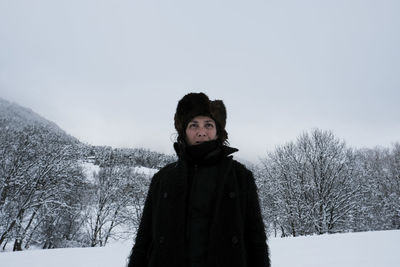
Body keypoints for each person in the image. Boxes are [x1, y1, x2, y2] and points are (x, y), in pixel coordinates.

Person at [127, 92, 270, 267]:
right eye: (193, 125)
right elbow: (144, 239)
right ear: (183, 132)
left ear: (218, 132)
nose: (201, 132)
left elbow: (256, 241)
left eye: (208, 125)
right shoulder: (162, 178)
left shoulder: (241, 177)